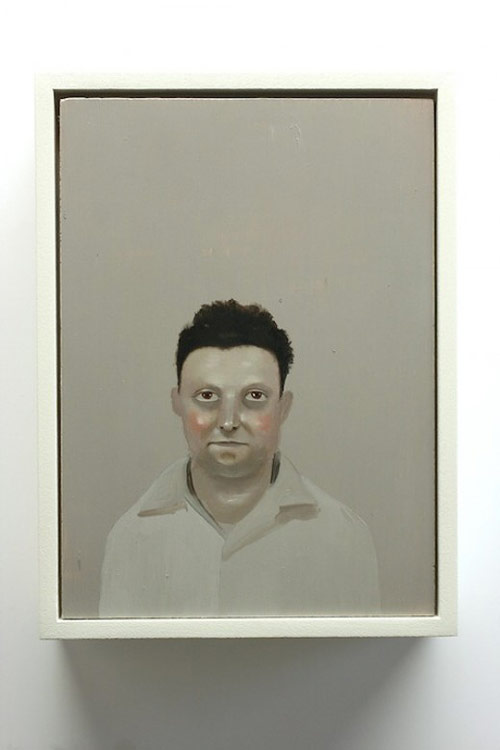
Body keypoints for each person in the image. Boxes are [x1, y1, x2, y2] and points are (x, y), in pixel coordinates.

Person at [99, 300, 380, 617]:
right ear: (177, 403)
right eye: (207, 396)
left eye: (254, 396)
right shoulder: (130, 538)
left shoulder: (343, 538)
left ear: (283, 408)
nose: (228, 420)